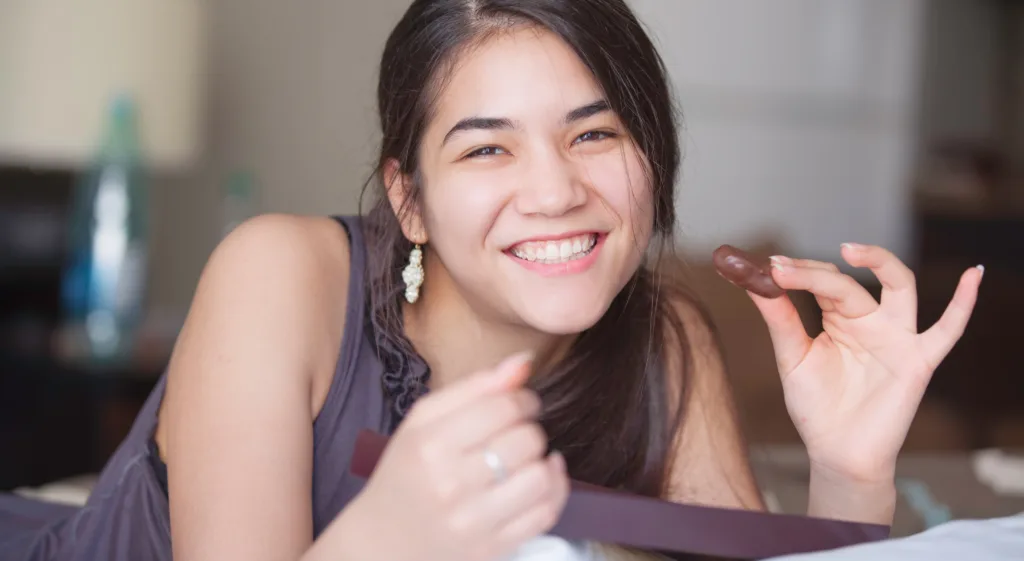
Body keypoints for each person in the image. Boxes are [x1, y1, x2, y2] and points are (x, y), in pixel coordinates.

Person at [0, 1, 983, 560]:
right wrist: (388, 540)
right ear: (411, 198)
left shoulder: (665, 343)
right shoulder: (280, 277)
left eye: (594, 133)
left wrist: (851, 469)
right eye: (485, 150)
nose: (555, 191)